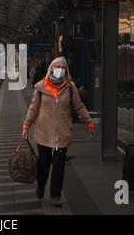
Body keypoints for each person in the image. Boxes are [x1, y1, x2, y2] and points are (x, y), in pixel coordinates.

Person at [21, 56, 95, 207]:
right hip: (43, 133)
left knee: (59, 165)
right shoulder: (40, 87)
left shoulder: (70, 87)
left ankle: (55, 195)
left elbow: (78, 106)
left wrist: (89, 122)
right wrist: (26, 125)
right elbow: (33, 108)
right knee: (44, 163)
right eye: (57, 67)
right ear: (51, 69)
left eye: (63, 67)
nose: (60, 70)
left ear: (66, 70)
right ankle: (41, 185)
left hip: (62, 133)